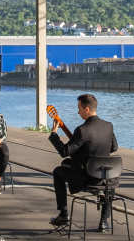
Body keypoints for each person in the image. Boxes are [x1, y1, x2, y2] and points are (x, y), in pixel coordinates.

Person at [48, 93, 118, 229]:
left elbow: (64, 152)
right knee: (108, 175)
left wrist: (54, 134)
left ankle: (63, 214)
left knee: (58, 171)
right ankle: (104, 222)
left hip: (86, 179)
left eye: (79, 108)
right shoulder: (109, 126)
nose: (78, 112)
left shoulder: (82, 130)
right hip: (105, 178)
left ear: (86, 110)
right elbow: (114, 147)